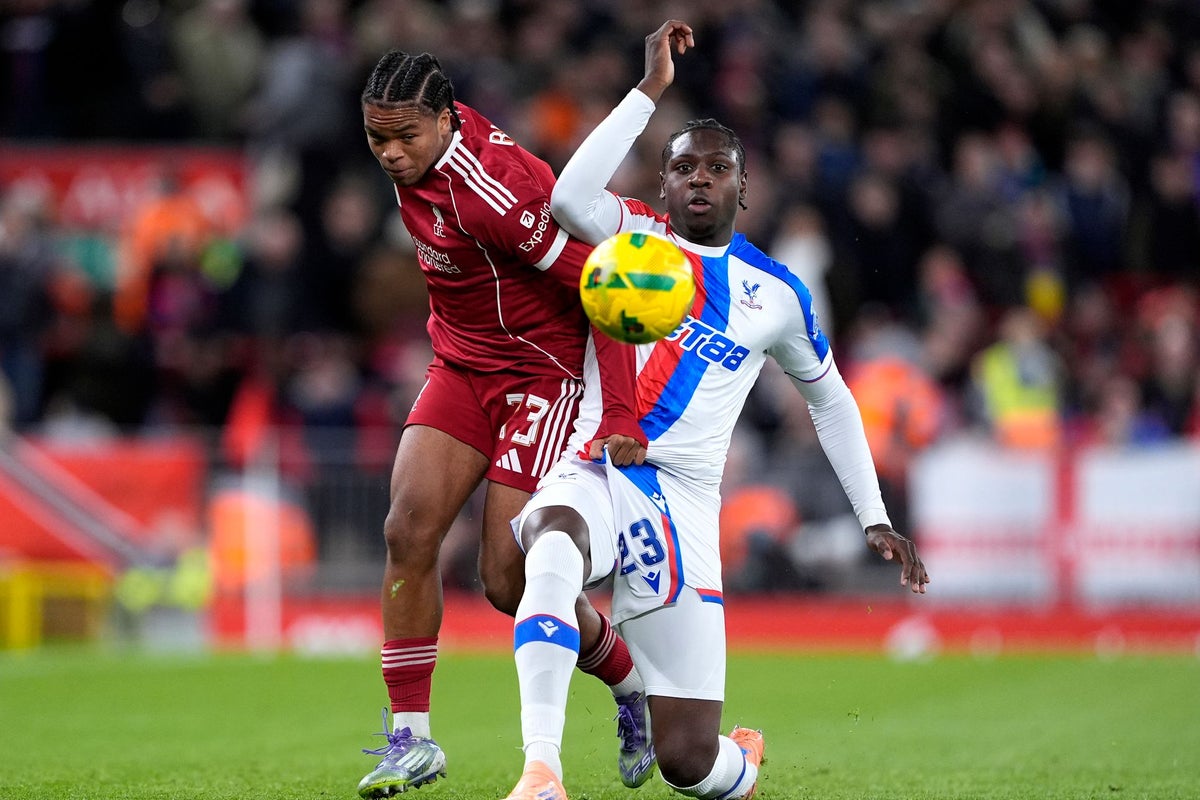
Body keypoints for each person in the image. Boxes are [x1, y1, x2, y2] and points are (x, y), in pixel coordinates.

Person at [503, 20, 930, 800]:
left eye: (718, 167)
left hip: (687, 506)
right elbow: (566, 197)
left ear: (743, 187)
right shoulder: (632, 235)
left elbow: (832, 403)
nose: (700, 179)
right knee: (553, 545)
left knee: (689, 764)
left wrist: (873, 515)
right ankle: (541, 771)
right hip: (600, 464)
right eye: (683, 167)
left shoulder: (776, 295)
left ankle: (739, 761)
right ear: (664, 184)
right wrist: (648, 90)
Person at [355, 49, 656, 798]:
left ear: (445, 121)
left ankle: (631, 684)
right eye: (376, 138)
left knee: (507, 580)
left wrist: (620, 410)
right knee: (406, 530)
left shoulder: (494, 192)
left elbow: (605, 281)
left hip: (539, 375)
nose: (390, 153)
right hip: (460, 366)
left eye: (405, 137)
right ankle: (411, 740)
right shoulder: (416, 153)